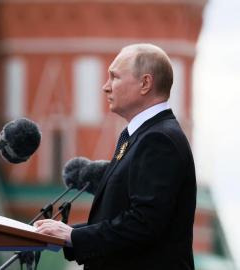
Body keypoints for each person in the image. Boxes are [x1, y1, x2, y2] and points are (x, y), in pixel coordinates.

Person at [34, 43, 196, 270]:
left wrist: (73, 236)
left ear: (145, 83)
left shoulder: (159, 140)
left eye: (115, 77)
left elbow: (142, 224)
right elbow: (122, 219)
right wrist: (66, 234)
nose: (105, 87)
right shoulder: (140, 135)